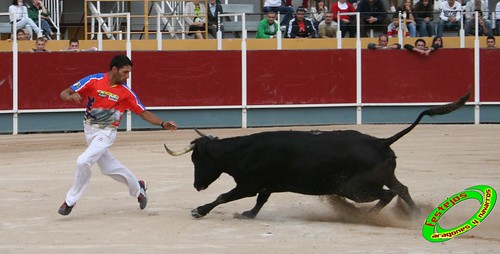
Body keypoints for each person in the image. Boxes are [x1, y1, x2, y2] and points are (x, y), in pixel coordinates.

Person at [57, 54, 177, 216]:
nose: (127, 76)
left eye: (129, 73)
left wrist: (162, 124)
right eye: (125, 72)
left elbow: (143, 113)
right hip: (89, 129)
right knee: (108, 168)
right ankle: (138, 188)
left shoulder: (125, 93)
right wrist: (69, 97)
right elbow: (65, 92)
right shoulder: (94, 80)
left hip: (106, 132)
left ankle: (69, 201)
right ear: (114, 69)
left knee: (83, 161)